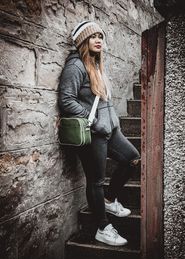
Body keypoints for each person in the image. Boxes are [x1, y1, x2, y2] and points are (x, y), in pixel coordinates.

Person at [58, 21, 140, 246]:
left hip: (109, 130)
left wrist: (113, 122)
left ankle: (109, 200)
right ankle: (102, 228)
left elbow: (105, 100)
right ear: (83, 41)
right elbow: (66, 100)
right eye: (92, 36)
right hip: (93, 132)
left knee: (132, 159)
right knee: (96, 181)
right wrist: (92, 119)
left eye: (100, 36)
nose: (98, 40)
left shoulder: (96, 64)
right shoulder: (75, 66)